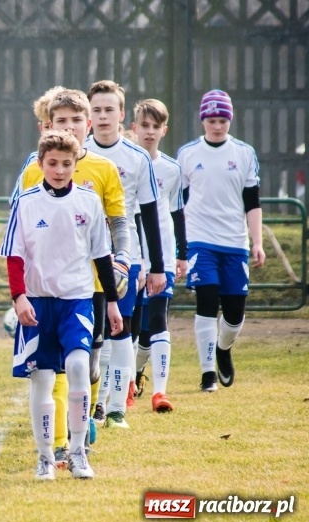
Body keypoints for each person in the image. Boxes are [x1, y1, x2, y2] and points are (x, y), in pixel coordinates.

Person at [17, 88, 130, 464]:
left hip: (94, 283)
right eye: (61, 120)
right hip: (49, 291)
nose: (70, 126)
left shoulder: (103, 168)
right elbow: (24, 229)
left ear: (88, 123)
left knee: (90, 364)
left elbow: (116, 221)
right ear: (49, 124)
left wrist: (123, 258)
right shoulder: (35, 168)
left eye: (75, 120)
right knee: (60, 368)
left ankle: (88, 415)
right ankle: (63, 442)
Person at [83, 80, 166, 429]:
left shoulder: (137, 159)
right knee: (91, 335)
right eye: (96, 110)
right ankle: (93, 399)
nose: (103, 116)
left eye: (109, 110)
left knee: (122, 330)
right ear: (89, 115)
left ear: (121, 114)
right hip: (80, 261)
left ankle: (113, 406)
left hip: (123, 259)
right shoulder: (77, 153)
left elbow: (149, 216)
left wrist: (157, 266)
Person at [177, 89, 265, 392]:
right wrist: (181, 244)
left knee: (234, 314)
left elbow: (252, 202)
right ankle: (207, 375)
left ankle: (223, 349)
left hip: (235, 242)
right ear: (203, 121)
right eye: (212, 120)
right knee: (207, 301)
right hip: (201, 240)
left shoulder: (244, 153)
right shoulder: (188, 154)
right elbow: (181, 204)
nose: (217, 125)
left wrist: (257, 241)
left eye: (222, 120)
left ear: (230, 120)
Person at [130, 99, 188, 412]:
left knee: (157, 320)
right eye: (145, 126)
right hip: (130, 257)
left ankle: (160, 393)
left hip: (161, 257)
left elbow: (178, 213)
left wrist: (182, 253)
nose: (150, 132)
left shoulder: (172, 169)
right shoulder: (126, 163)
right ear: (134, 128)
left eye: (156, 127)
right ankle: (131, 376)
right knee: (135, 328)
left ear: (164, 130)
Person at [8, 85, 65, 206]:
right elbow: (17, 203)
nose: (52, 132)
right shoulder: (34, 161)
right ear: (40, 128)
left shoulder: (91, 158)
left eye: (59, 124)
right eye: (47, 127)